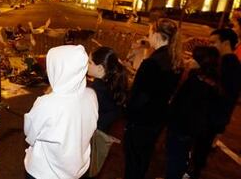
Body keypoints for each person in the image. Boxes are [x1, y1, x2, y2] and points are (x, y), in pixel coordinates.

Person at [24, 45, 98, 179]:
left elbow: (30, 134)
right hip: (78, 169)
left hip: (45, 172)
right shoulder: (91, 95)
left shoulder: (46, 103)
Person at [124, 18, 183, 179]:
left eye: (149, 33)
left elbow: (140, 95)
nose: (148, 36)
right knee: (144, 156)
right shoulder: (175, 60)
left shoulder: (152, 63)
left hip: (142, 119)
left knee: (133, 157)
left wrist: (128, 113)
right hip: (158, 117)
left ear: (157, 35)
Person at [185, 29, 241, 179]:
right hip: (210, 117)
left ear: (226, 43)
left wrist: (200, 74)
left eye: (213, 42)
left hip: (211, 118)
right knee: (198, 151)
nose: (211, 46)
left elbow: (221, 92)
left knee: (199, 153)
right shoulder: (224, 62)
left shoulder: (230, 64)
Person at [166, 46, 221, 179]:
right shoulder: (212, 81)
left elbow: (181, 103)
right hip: (192, 130)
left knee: (174, 159)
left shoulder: (196, 81)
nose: (189, 60)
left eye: (193, 58)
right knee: (181, 157)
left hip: (181, 127)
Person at [86, 47, 128, 177]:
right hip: (104, 130)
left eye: (89, 62)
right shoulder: (111, 83)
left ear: (100, 68)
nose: (86, 65)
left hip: (95, 134)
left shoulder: (96, 90)